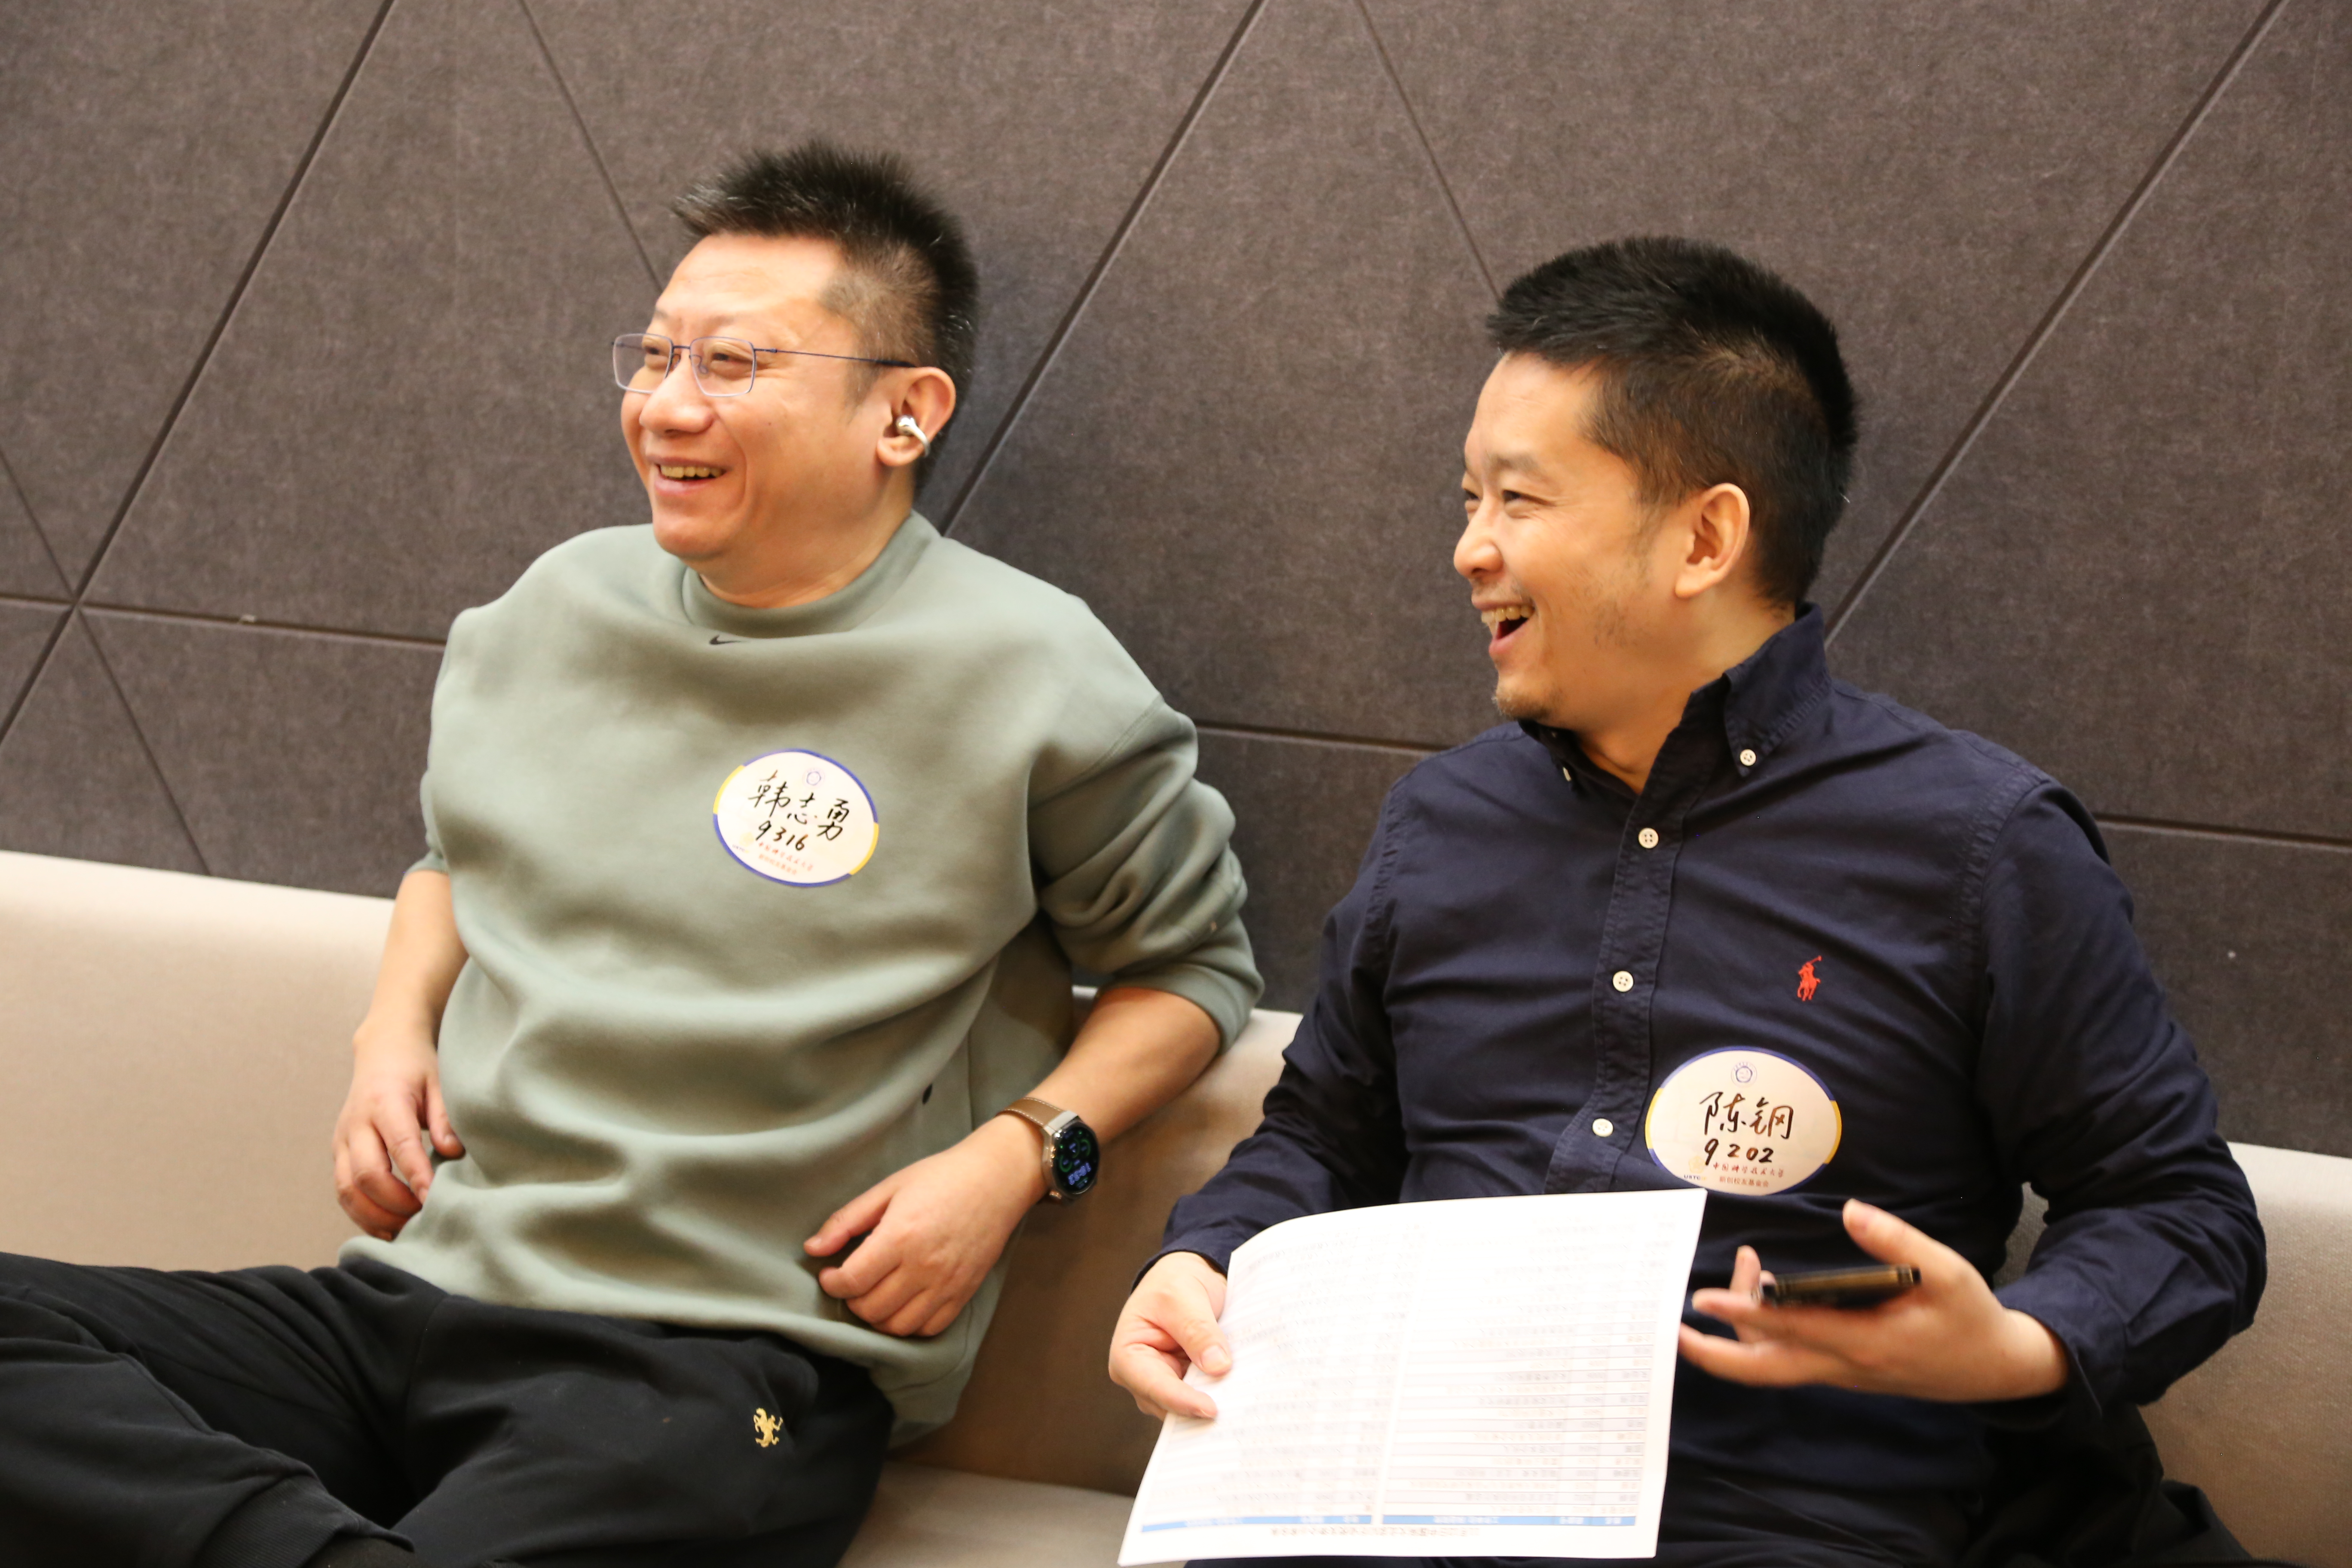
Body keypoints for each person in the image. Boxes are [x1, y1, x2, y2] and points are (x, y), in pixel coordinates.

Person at [0, 143, 1259, 1568]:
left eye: (735, 364)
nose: (666, 405)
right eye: (655, 355)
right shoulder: (556, 607)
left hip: (733, 1368)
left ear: (904, 413)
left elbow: (1192, 970)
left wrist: (1019, 1154)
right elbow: (457, 856)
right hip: (417, 1301)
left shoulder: (1035, 672)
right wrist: (391, 1028)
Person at [1107, 237, 2262, 1567]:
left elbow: (2181, 1213)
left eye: (1518, 500)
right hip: (1409, 1498)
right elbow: (1325, 1138)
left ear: (1706, 537)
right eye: (1470, 499)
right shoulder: (1440, 824)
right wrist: (1206, 1256)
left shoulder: (1979, 846)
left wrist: (2009, 1346)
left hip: (1787, 1515)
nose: (1470, 550)